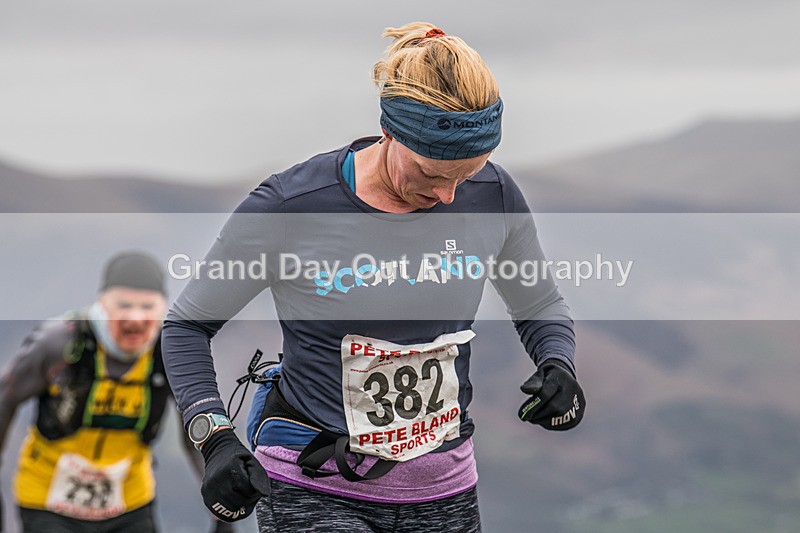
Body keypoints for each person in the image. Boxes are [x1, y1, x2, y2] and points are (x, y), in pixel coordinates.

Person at [162, 22, 586, 532]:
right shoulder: (291, 206)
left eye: (467, 174)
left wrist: (558, 363)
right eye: (431, 174)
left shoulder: (494, 194)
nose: (448, 195)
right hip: (314, 484)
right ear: (390, 132)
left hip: (444, 488)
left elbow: (538, 302)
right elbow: (187, 326)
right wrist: (214, 437)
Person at [0, 251, 232, 533]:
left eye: (147, 307)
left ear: (163, 308)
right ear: (102, 304)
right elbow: (6, 397)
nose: (135, 318)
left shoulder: (168, 354)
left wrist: (220, 503)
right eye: (124, 306)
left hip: (129, 503)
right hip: (47, 501)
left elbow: (195, 429)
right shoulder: (59, 343)